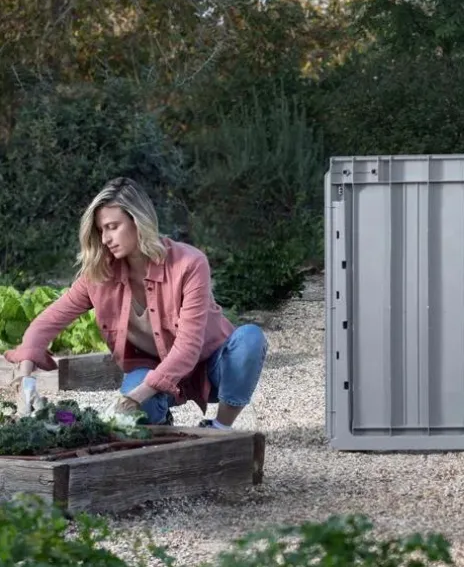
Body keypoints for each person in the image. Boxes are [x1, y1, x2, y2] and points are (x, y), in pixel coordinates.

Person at [1, 177, 268, 429]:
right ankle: (160, 421)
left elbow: (187, 348)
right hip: (152, 368)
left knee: (250, 339)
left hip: (211, 366)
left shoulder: (189, 263)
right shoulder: (99, 274)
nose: (105, 238)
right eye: (100, 230)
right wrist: (26, 380)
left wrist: (133, 397)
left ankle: (220, 428)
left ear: (138, 222)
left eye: (112, 227)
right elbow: (47, 323)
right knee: (139, 413)